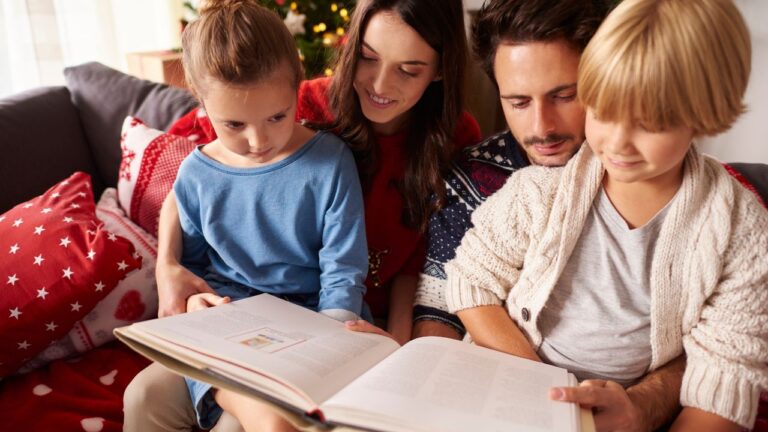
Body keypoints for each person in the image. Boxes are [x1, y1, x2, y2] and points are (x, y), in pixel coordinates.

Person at [124, 0, 480, 430]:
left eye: (409, 69)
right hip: (231, 316)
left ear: (440, 69)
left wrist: (401, 350)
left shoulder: (441, 139)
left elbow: (413, 261)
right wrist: (168, 266)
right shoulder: (299, 99)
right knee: (144, 395)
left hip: (339, 319)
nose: (381, 84)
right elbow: (193, 178)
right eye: (368, 58)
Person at [442, 0, 767, 430]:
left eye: (649, 123)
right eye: (602, 111)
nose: (617, 144)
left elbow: (725, 386)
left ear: (707, 112)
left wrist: (630, 416)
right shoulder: (539, 190)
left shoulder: (742, 232)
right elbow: (470, 281)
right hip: (505, 395)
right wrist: (544, 391)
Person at [398, 1, 689, 430]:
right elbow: (441, 310)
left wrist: (642, 405)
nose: (542, 126)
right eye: (517, 101)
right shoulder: (470, 179)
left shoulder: (658, 176)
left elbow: (703, 341)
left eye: (564, 95)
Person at [125, 1, 371, 431]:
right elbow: (196, 268)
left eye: (277, 116)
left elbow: (343, 273)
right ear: (202, 104)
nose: (259, 140)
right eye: (234, 124)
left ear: (298, 85)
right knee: (141, 396)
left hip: (315, 324)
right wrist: (198, 300)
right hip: (227, 326)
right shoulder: (196, 174)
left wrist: (323, 349)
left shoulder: (330, 162)